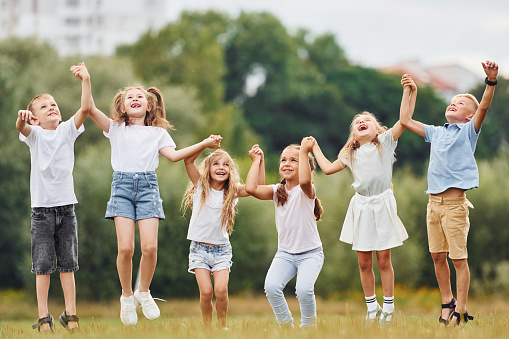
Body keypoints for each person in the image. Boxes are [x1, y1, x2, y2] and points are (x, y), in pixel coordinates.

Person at [87, 84, 221, 326]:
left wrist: (204, 143)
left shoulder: (157, 133)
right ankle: (127, 296)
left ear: (149, 106)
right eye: (130, 97)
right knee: (126, 249)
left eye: (140, 97)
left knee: (149, 248)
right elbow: (88, 108)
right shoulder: (115, 128)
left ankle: (143, 291)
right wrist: (86, 80)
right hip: (122, 189)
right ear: (122, 106)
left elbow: (174, 155)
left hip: (148, 188)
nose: (135, 99)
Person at [309, 75, 415, 324]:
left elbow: (404, 120)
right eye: (357, 122)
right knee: (364, 261)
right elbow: (326, 168)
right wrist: (313, 147)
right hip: (361, 206)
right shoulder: (350, 153)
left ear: (377, 129)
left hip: (382, 203)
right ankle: (371, 306)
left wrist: (408, 91)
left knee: (383, 260)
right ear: (354, 135)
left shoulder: (385, 144)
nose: (361, 122)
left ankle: (388, 307)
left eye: (367, 120)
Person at [400, 61, 499, 326]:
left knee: (458, 259)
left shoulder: (468, 131)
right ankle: (447, 302)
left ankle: (462, 310)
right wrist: (410, 92)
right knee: (437, 256)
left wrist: (490, 82)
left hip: (455, 205)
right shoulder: (436, 132)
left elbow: (485, 107)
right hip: (433, 204)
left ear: (469, 116)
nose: (453, 103)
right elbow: (405, 120)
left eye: (460, 103)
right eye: (451, 101)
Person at [16, 63, 92, 332]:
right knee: (43, 268)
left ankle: (71, 316)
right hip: (42, 212)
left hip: (66, 210)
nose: (52, 107)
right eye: (44, 106)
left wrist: (86, 80)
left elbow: (85, 109)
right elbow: (21, 128)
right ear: (35, 119)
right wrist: (22, 118)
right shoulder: (34, 134)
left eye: (54, 104)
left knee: (68, 266)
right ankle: (44, 319)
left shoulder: (67, 131)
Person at [181, 145, 265, 329]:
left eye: (226, 164)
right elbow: (188, 160)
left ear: (230, 171)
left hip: (222, 251)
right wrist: (205, 144)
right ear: (208, 168)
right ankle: (207, 328)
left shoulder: (232, 192)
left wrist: (257, 161)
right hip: (199, 249)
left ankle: (222, 326)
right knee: (206, 292)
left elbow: (256, 187)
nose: (221, 167)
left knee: (220, 290)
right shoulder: (201, 187)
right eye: (216, 164)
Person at [245, 141, 324, 328]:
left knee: (304, 290)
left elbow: (305, 180)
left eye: (294, 160)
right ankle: (286, 326)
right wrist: (257, 160)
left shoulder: (306, 190)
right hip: (285, 254)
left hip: (310, 253)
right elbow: (251, 188)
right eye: (283, 160)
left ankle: (309, 328)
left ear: (305, 166)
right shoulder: (277, 191)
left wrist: (304, 151)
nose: (287, 163)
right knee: (272, 287)